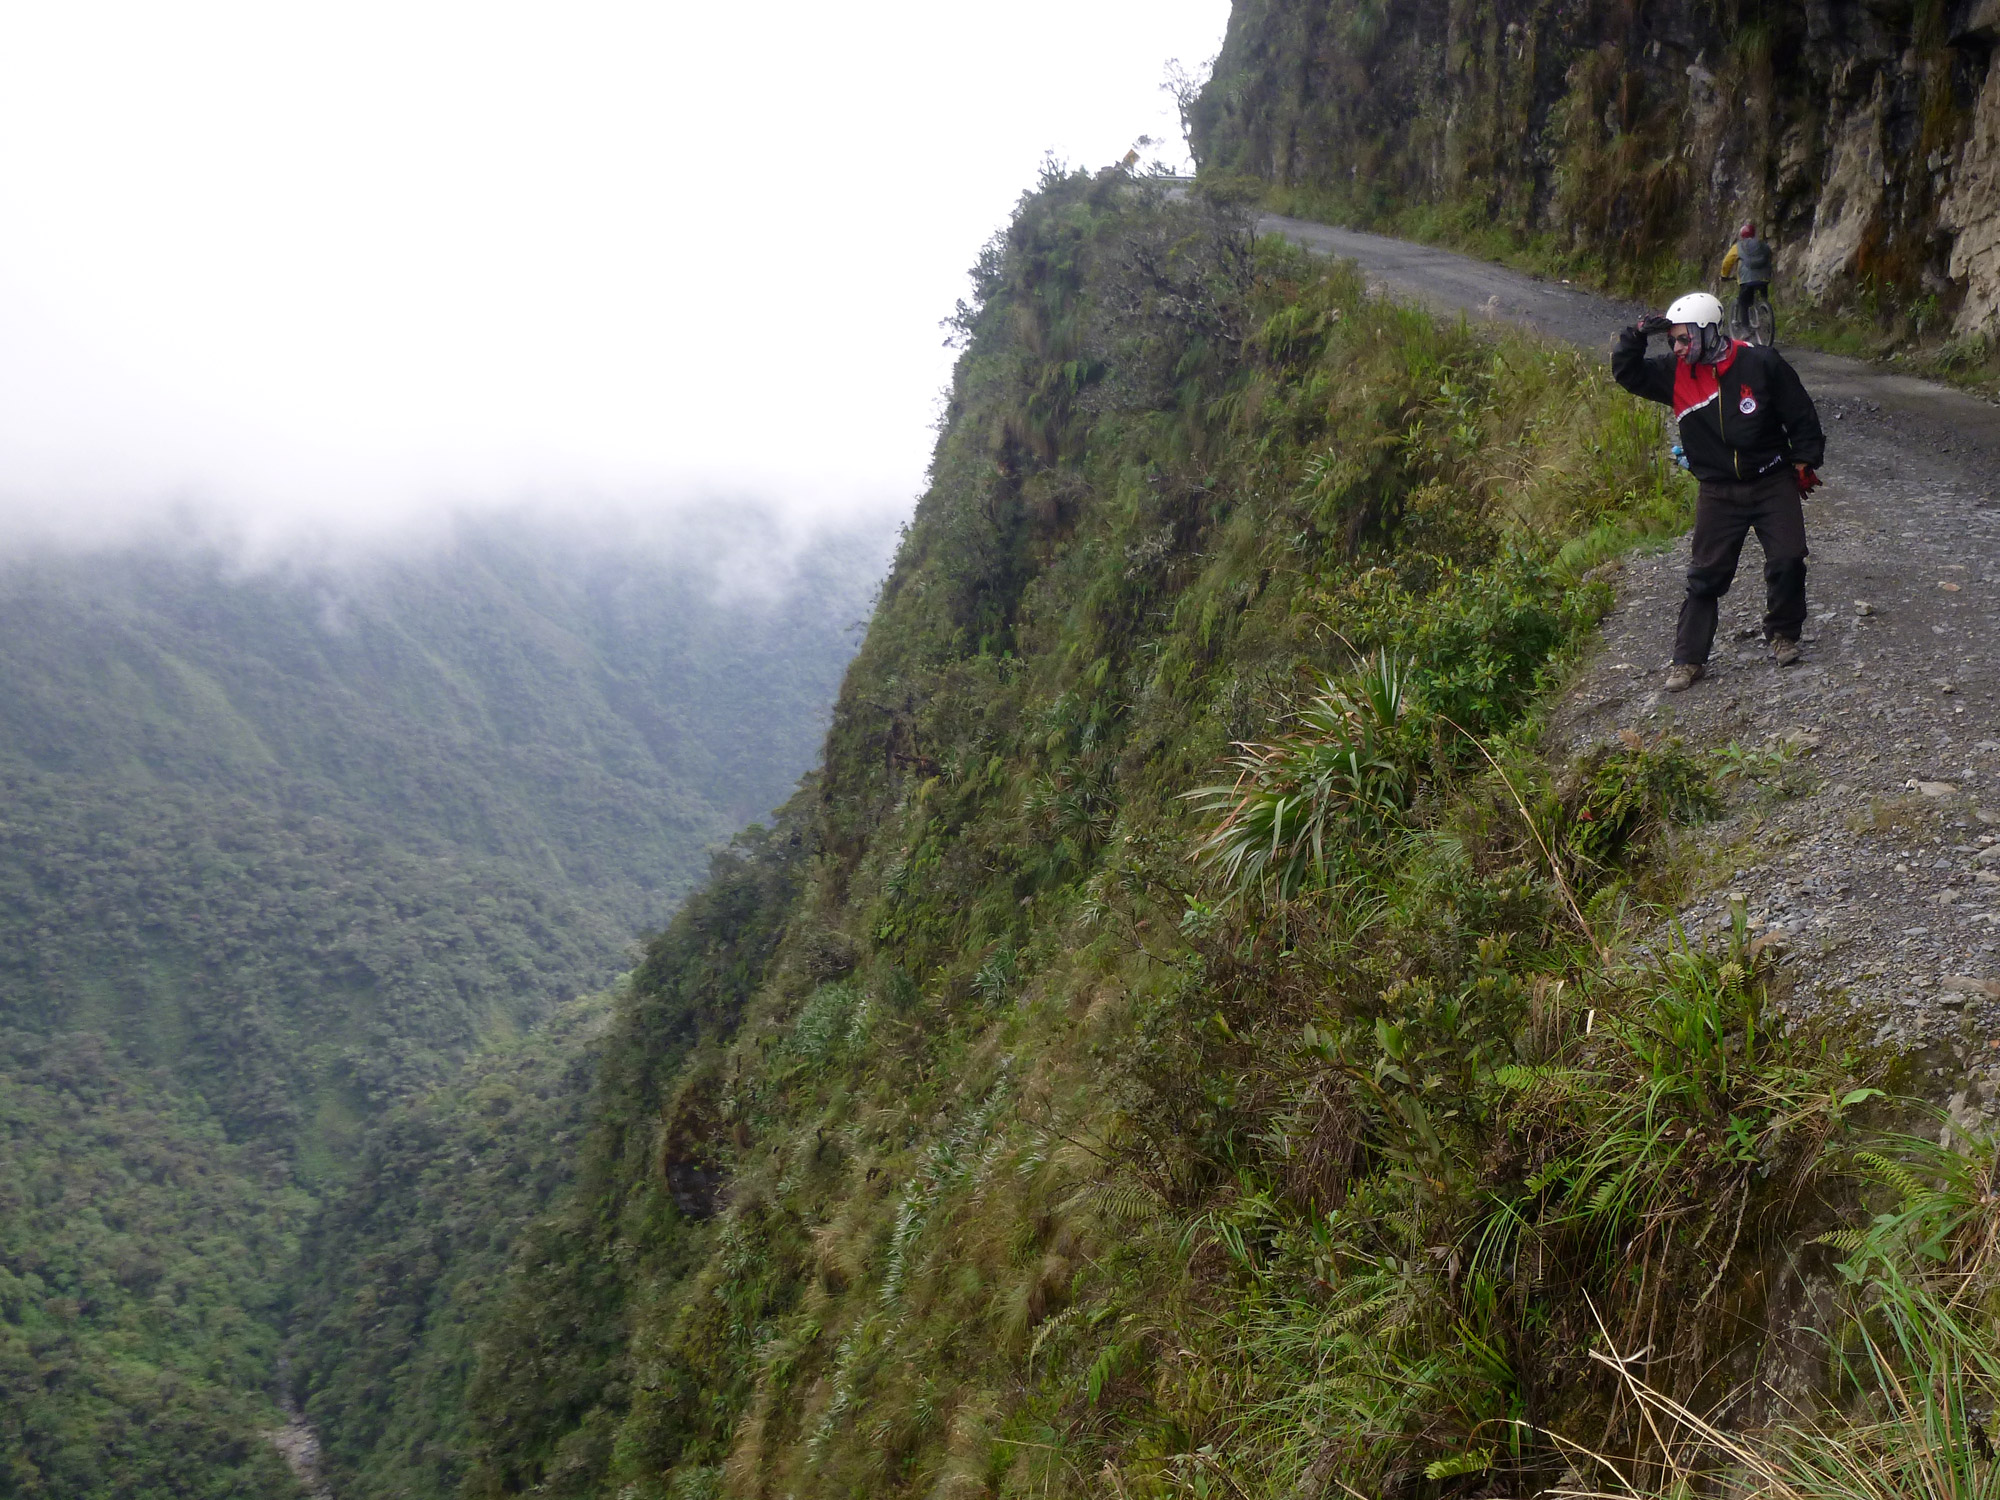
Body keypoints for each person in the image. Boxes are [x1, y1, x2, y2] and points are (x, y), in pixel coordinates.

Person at [1612, 291, 1825, 691]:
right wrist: (1636, 334)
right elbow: (1627, 373)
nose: (1677, 348)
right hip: (1717, 491)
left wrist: (1805, 459)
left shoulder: (1760, 363)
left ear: (1709, 332)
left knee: (1788, 558)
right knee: (1705, 577)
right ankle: (1688, 661)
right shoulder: (1673, 373)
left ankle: (1783, 635)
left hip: (1770, 480)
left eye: (1684, 338)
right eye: (1672, 340)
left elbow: (1799, 412)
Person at [1719, 223, 1773, 333]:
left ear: (1742, 235)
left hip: (1746, 279)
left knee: (1743, 303)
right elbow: (1769, 256)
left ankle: (1745, 329)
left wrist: (1724, 275)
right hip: (1764, 277)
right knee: (1763, 297)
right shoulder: (1763, 245)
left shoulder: (1739, 246)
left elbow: (1727, 262)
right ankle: (1765, 316)